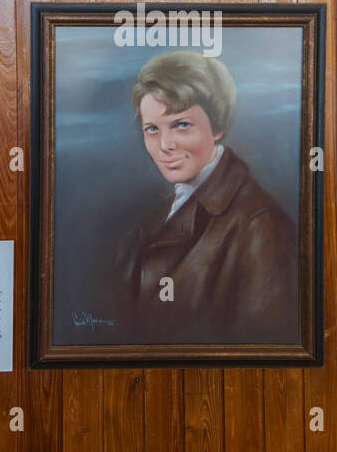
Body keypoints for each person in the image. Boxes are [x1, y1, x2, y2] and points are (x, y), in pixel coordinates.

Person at [108, 51, 299, 344]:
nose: (164, 146)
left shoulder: (260, 227)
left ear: (219, 127)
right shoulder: (154, 218)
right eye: (152, 129)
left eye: (181, 125)